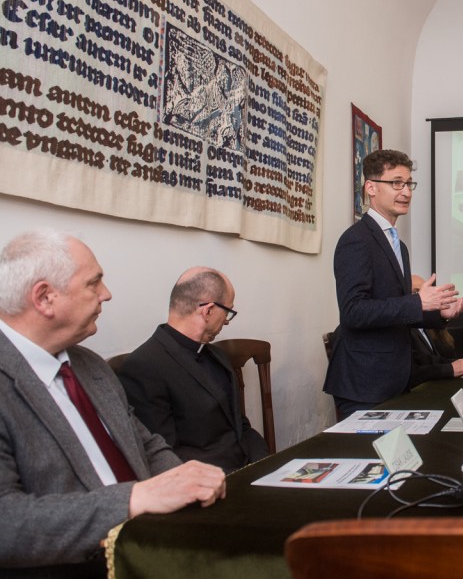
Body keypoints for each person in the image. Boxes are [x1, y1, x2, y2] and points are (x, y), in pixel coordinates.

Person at [0, 230, 225, 576]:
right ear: (45, 298)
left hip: (155, 544)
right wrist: (133, 499)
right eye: (94, 283)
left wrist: (187, 478)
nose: (106, 294)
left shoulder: (90, 365)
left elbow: (146, 444)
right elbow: (7, 523)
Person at [324, 150, 463, 418]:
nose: (406, 192)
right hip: (365, 384)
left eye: (409, 184)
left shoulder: (398, 246)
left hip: (396, 379)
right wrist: (418, 302)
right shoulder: (356, 240)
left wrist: (440, 314)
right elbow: (353, 312)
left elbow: (398, 315)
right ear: (371, 188)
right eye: (396, 183)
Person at [117, 268, 270, 472]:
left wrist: (266, 464)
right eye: (228, 312)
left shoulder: (217, 356)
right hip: (208, 480)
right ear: (208, 311)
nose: (226, 321)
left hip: (249, 469)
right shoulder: (143, 367)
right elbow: (163, 457)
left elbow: (241, 426)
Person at [408, 274, 463, 387]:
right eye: (416, 292)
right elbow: (412, 373)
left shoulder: (426, 327)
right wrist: (451, 369)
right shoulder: (404, 328)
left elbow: (431, 361)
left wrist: (461, 363)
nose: (425, 298)